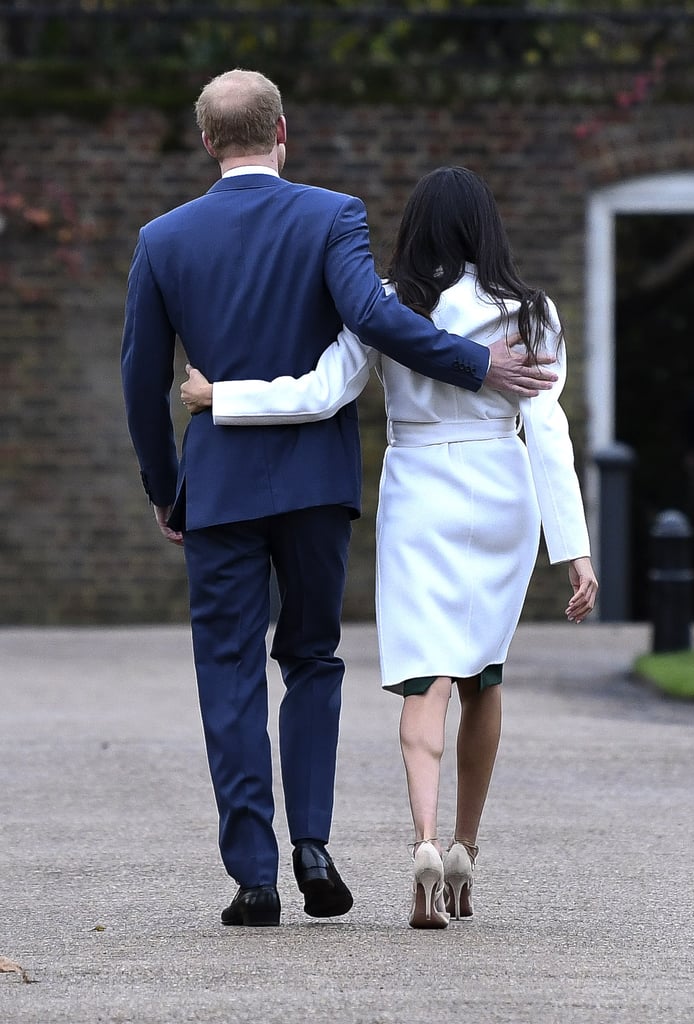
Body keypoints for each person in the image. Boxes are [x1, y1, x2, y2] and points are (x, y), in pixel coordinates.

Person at [121, 69, 558, 930]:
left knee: (229, 673)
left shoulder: (162, 239)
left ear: (208, 140)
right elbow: (375, 317)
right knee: (312, 660)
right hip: (318, 486)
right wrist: (479, 365)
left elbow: (141, 384)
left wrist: (165, 489)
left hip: (217, 485)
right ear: (282, 132)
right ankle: (312, 848)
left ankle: (253, 877)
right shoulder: (332, 215)